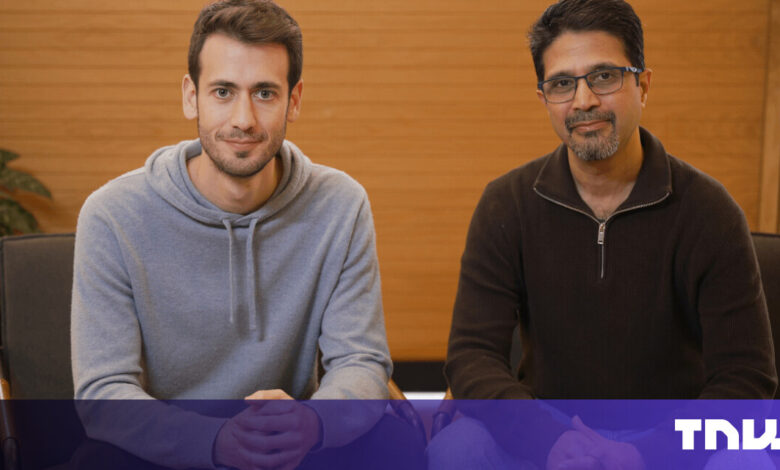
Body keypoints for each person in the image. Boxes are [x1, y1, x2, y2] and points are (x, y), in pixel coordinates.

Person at [70, 1, 423, 469]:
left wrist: (311, 423)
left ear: (293, 101)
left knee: (396, 444)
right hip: (167, 447)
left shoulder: (340, 204)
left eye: (264, 93)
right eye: (222, 91)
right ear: (190, 96)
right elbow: (102, 393)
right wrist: (215, 442)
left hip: (287, 440)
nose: (243, 119)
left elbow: (361, 362)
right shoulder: (113, 215)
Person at [430, 0, 777, 469]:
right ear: (544, 98)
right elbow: (471, 356)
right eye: (561, 84)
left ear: (643, 84)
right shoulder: (506, 203)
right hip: (548, 426)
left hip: (671, 434)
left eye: (604, 76)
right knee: (457, 449)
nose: (583, 100)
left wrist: (645, 452)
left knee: (751, 458)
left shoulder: (710, 212)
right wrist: (548, 440)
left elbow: (747, 380)